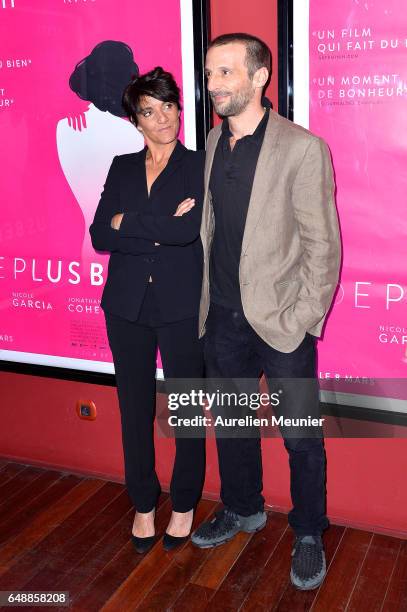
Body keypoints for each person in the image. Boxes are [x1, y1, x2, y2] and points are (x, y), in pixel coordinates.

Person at [190, 33, 341, 591]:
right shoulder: (210, 145)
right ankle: (243, 508)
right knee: (231, 426)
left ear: (260, 77)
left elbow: (323, 244)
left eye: (225, 73)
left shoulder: (302, 148)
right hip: (222, 318)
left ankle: (307, 531)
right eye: (209, 75)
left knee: (301, 434)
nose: (213, 86)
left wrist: (303, 318)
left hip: (281, 321)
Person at [90, 67, 205, 554]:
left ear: (180, 108)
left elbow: (188, 230)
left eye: (169, 107)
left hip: (182, 306)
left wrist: (128, 223)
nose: (164, 119)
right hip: (126, 306)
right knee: (133, 411)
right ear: (135, 120)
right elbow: (100, 234)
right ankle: (142, 503)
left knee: (187, 413)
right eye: (150, 111)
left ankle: (183, 505)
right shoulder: (120, 166)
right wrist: (154, 221)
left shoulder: (201, 165)